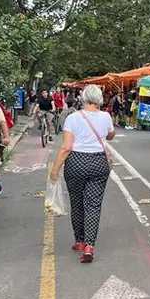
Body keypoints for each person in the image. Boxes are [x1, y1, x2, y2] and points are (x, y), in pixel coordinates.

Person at [49, 85, 115, 263]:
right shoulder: (106, 116)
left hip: (76, 162)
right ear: (100, 99)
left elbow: (67, 147)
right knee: (94, 204)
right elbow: (110, 136)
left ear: (83, 98)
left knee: (77, 202)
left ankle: (79, 240)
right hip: (99, 163)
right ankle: (89, 245)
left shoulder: (72, 118)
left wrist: (55, 170)